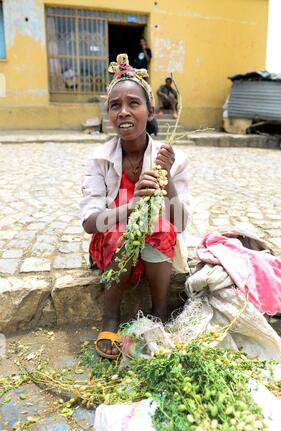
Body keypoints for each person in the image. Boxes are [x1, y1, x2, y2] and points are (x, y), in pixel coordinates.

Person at [80, 54, 191, 359]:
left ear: (150, 110)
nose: (124, 112)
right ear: (109, 114)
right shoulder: (99, 159)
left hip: (155, 251)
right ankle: (111, 317)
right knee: (123, 232)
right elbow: (90, 222)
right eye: (115, 105)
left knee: (160, 225)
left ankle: (159, 312)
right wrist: (129, 209)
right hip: (113, 246)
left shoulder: (170, 158)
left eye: (134, 103)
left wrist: (165, 180)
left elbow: (181, 222)